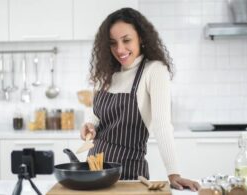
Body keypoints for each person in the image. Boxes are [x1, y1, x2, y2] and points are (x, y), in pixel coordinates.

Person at [80, 7, 200, 191]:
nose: (120, 49)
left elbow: (162, 125)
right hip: (93, 172)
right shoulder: (107, 72)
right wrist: (89, 125)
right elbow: (96, 116)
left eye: (126, 40)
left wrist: (173, 173)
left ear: (141, 38)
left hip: (128, 177)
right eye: (113, 43)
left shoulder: (154, 70)